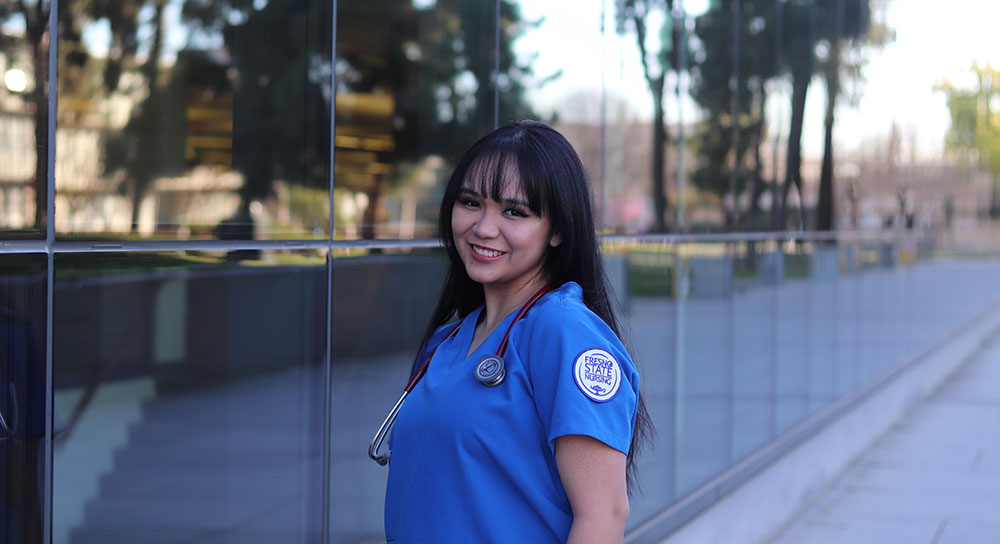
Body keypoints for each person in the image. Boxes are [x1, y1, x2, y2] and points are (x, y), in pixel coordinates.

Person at [382, 121, 651, 543]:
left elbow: (604, 517)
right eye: (470, 202)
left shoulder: (563, 333)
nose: (484, 228)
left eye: (514, 211)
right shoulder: (446, 343)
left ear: (558, 229)